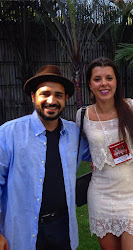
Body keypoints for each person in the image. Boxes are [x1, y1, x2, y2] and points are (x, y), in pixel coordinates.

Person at [0, 65, 91, 250]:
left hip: (63, 228)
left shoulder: (74, 133)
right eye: (45, 94)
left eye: (58, 95)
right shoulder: (8, 134)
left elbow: (99, 155)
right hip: (22, 231)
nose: (52, 100)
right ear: (33, 96)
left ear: (66, 99)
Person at [76, 57, 133, 250]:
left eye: (109, 78)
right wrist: (95, 158)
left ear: (116, 81)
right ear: (89, 84)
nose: (104, 84)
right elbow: (84, 149)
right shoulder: (82, 115)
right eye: (97, 79)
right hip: (101, 195)